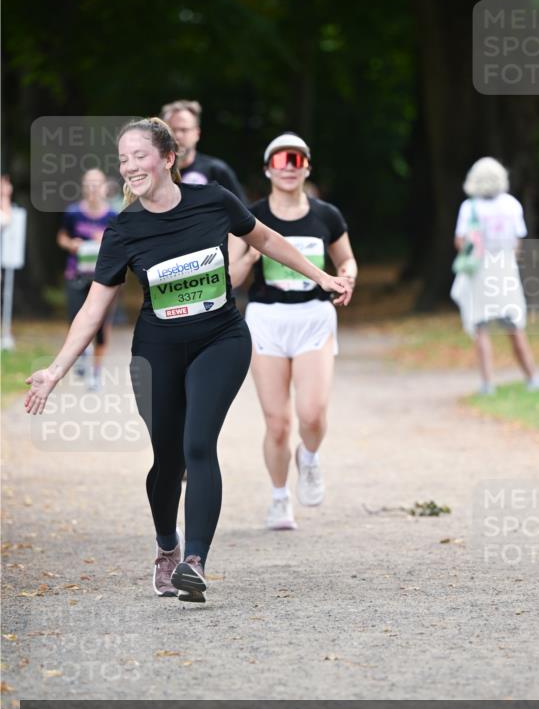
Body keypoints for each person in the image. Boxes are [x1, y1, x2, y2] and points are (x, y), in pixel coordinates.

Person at [24, 118, 351, 603]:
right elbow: (94, 308)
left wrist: (321, 276)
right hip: (157, 351)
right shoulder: (124, 229)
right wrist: (55, 370)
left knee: (199, 445)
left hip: (220, 338)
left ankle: (194, 561)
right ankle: (166, 546)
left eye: (139, 155)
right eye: (123, 159)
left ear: (169, 158)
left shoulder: (213, 200)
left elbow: (266, 239)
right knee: (168, 458)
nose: (130, 166)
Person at [229, 132, 357, 531]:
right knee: (278, 422)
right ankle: (279, 497)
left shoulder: (326, 215)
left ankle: (311, 458)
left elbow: (347, 261)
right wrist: (250, 257)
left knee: (312, 415)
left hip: (314, 318)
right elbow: (230, 279)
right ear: (268, 168)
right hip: (267, 319)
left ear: (307, 168)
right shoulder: (248, 216)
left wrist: (347, 278)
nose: (289, 167)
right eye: (281, 160)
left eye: (297, 160)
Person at [450, 157, 539, 396]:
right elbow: (518, 242)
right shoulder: (511, 205)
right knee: (515, 327)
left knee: (480, 327)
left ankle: (488, 383)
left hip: (480, 272)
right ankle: (532, 378)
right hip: (505, 269)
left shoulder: (470, 207)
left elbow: (460, 241)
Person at [56, 168, 117, 390]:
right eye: (88, 184)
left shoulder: (113, 216)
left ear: (105, 188)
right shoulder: (73, 213)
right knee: (75, 319)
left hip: (103, 278)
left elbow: (122, 247)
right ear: (83, 187)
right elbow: (62, 236)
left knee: (101, 327)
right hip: (76, 273)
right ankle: (81, 352)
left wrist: (107, 241)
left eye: (97, 184)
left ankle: (96, 372)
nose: (92, 188)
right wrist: (71, 244)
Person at [160, 99, 246, 203]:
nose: (178, 135)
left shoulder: (217, 171)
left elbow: (243, 214)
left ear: (197, 133)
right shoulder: (152, 171)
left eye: (184, 130)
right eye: (172, 130)